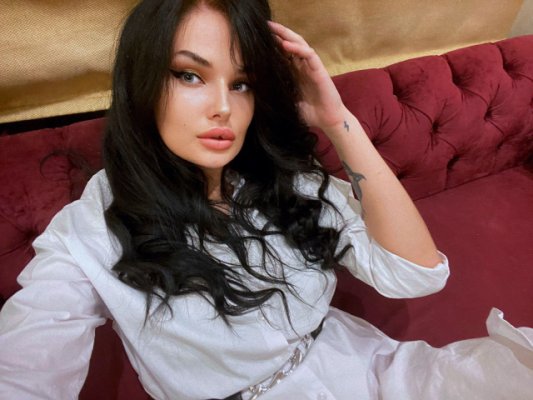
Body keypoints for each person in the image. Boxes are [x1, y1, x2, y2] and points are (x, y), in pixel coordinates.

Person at [0, 0, 532, 399]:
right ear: (142, 83)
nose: (222, 107)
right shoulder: (91, 231)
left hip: (367, 367)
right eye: (190, 75)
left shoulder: (278, 181)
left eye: (242, 83)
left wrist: (337, 120)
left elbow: (417, 275)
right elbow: (26, 367)